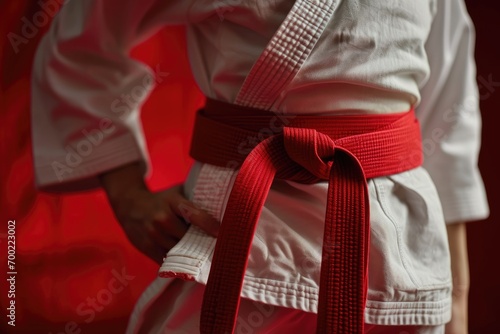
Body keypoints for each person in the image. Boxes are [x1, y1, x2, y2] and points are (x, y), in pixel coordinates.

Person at [31, 0, 489, 333]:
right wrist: (127, 193)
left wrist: (458, 296)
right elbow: (78, 45)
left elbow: (448, 119)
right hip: (239, 236)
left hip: (397, 257)